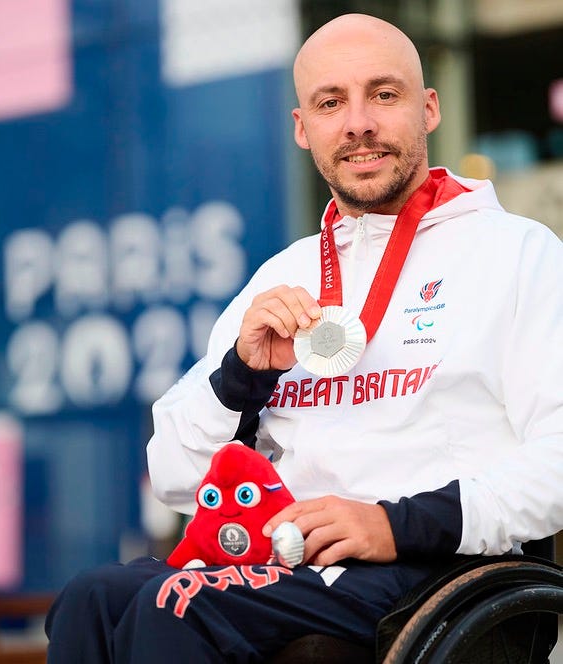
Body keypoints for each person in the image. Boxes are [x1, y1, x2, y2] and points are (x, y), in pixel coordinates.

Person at [45, 12, 563, 663]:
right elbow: (173, 476)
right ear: (302, 127)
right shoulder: (284, 275)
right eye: (330, 102)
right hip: (287, 568)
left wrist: (390, 524)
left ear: (429, 108)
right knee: (94, 595)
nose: (358, 123)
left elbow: (557, 461)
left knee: (170, 605)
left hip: (437, 574)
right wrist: (241, 376)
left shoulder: (516, 254)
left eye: (383, 93)